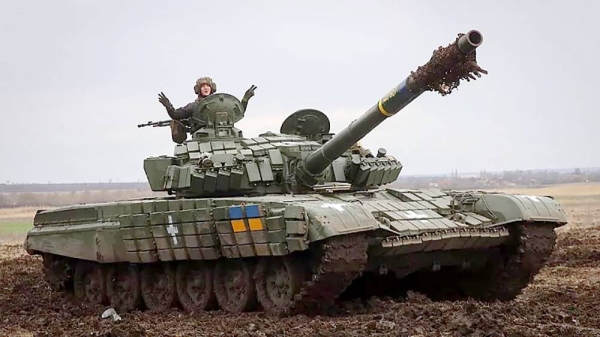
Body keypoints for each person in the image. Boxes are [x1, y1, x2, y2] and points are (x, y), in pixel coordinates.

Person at [157, 77, 256, 143]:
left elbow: (237, 113)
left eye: (207, 86)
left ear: (211, 88)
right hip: (203, 140)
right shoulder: (194, 106)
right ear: (198, 89)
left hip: (228, 138)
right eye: (202, 86)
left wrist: (245, 99)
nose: (205, 88)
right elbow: (176, 115)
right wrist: (167, 105)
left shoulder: (220, 104)